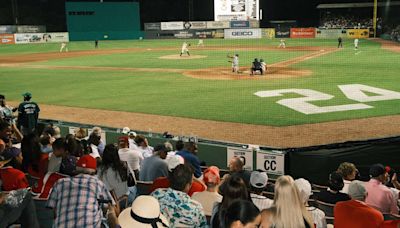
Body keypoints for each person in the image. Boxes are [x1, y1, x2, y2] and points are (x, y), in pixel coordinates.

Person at [47, 154, 116, 227]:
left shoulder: (60, 183)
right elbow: (110, 210)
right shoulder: (97, 184)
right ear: (94, 171)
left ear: (76, 169)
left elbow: (53, 211)